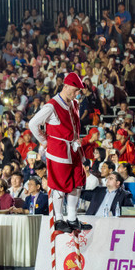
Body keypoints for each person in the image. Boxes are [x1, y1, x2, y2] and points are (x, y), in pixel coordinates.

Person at [28, 72, 91, 232]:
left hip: (74, 148)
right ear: (66, 86)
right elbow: (33, 124)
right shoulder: (52, 105)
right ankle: (59, 219)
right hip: (59, 150)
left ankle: (71, 217)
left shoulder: (74, 104)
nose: (77, 94)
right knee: (59, 185)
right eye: (76, 90)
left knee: (77, 182)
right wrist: (45, 141)